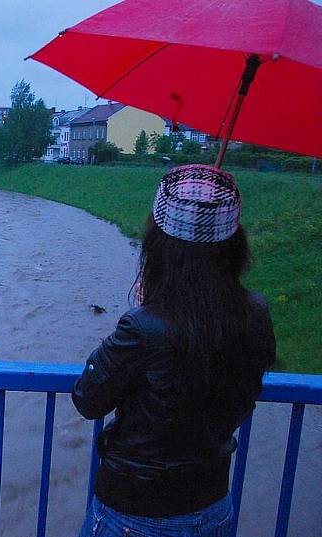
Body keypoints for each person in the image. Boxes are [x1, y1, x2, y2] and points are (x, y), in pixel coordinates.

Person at [74, 164, 276, 537]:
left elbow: (87, 399)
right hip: (212, 506)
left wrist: (142, 317)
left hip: (133, 515)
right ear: (233, 245)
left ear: (158, 245)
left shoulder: (144, 327)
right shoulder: (255, 313)